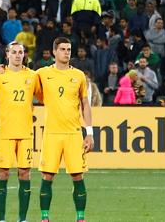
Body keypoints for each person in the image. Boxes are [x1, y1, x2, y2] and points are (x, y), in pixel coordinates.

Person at [36, 37, 93, 222]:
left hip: (74, 133)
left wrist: (89, 133)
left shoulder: (78, 76)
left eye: (69, 49)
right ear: (54, 52)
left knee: (78, 175)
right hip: (52, 133)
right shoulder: (42, 74)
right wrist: (2, 68)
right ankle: (45, 217)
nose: (67, 52)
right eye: (63, 49)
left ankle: (80, 217)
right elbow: (22, 79)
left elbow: (85, 104)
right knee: (47, 176)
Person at [0, 41, 42, 222]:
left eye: (21, 52)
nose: (18, 55)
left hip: (26, 132)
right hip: (5, 132)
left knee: (25, 173)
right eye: (14, 52)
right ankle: (2, 219)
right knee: (3, 173)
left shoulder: (32, 76)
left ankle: (22, 218)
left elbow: (43, 96)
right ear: (7, 55)